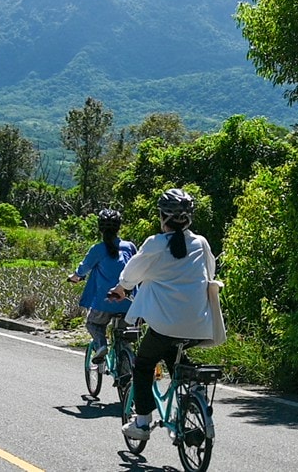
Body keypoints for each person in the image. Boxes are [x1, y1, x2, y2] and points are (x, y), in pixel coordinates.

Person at [108, 188, 219, 441]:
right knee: (172, 351)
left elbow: (131, 275)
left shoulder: (156, 244)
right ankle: (194, 388)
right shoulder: (201, 243)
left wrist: (121, 289)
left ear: (162, 217)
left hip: (166, 325)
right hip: (200, 324)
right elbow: (210, 273)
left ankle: (142, 423)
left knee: (143, 365)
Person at [68, 209, 137, 363]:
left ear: (100, 228)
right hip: (129, 302)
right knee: (123, 334)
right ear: (119, 227)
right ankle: (127, 364)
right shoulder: (129, 247)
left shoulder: (97, 249)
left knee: (93, 324)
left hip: (104, 301)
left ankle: (101, 346)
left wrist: (75, 277)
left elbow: (83, 269)